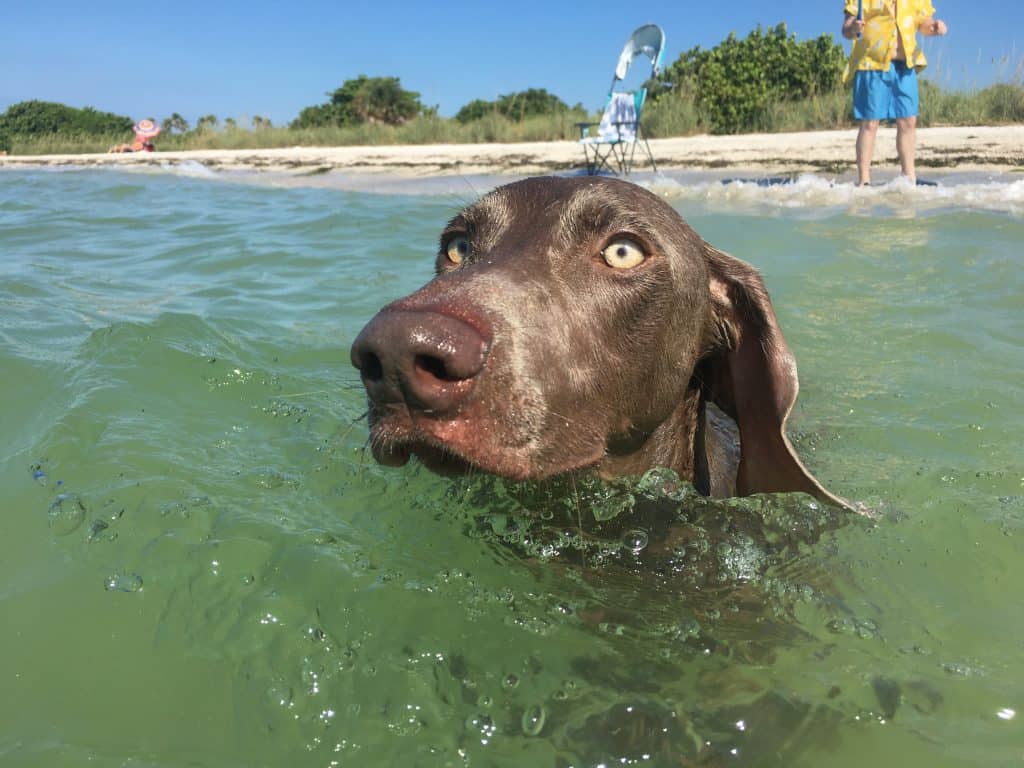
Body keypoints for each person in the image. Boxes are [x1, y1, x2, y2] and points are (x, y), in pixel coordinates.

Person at [841, 1, 948, 185]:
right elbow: (846, 29)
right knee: (870, 122)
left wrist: (934, 27)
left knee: (908, 121)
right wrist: (853, 27)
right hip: (872, 64)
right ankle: (864, 181)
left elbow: (923, 23)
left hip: (905, 65)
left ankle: (909, 177)